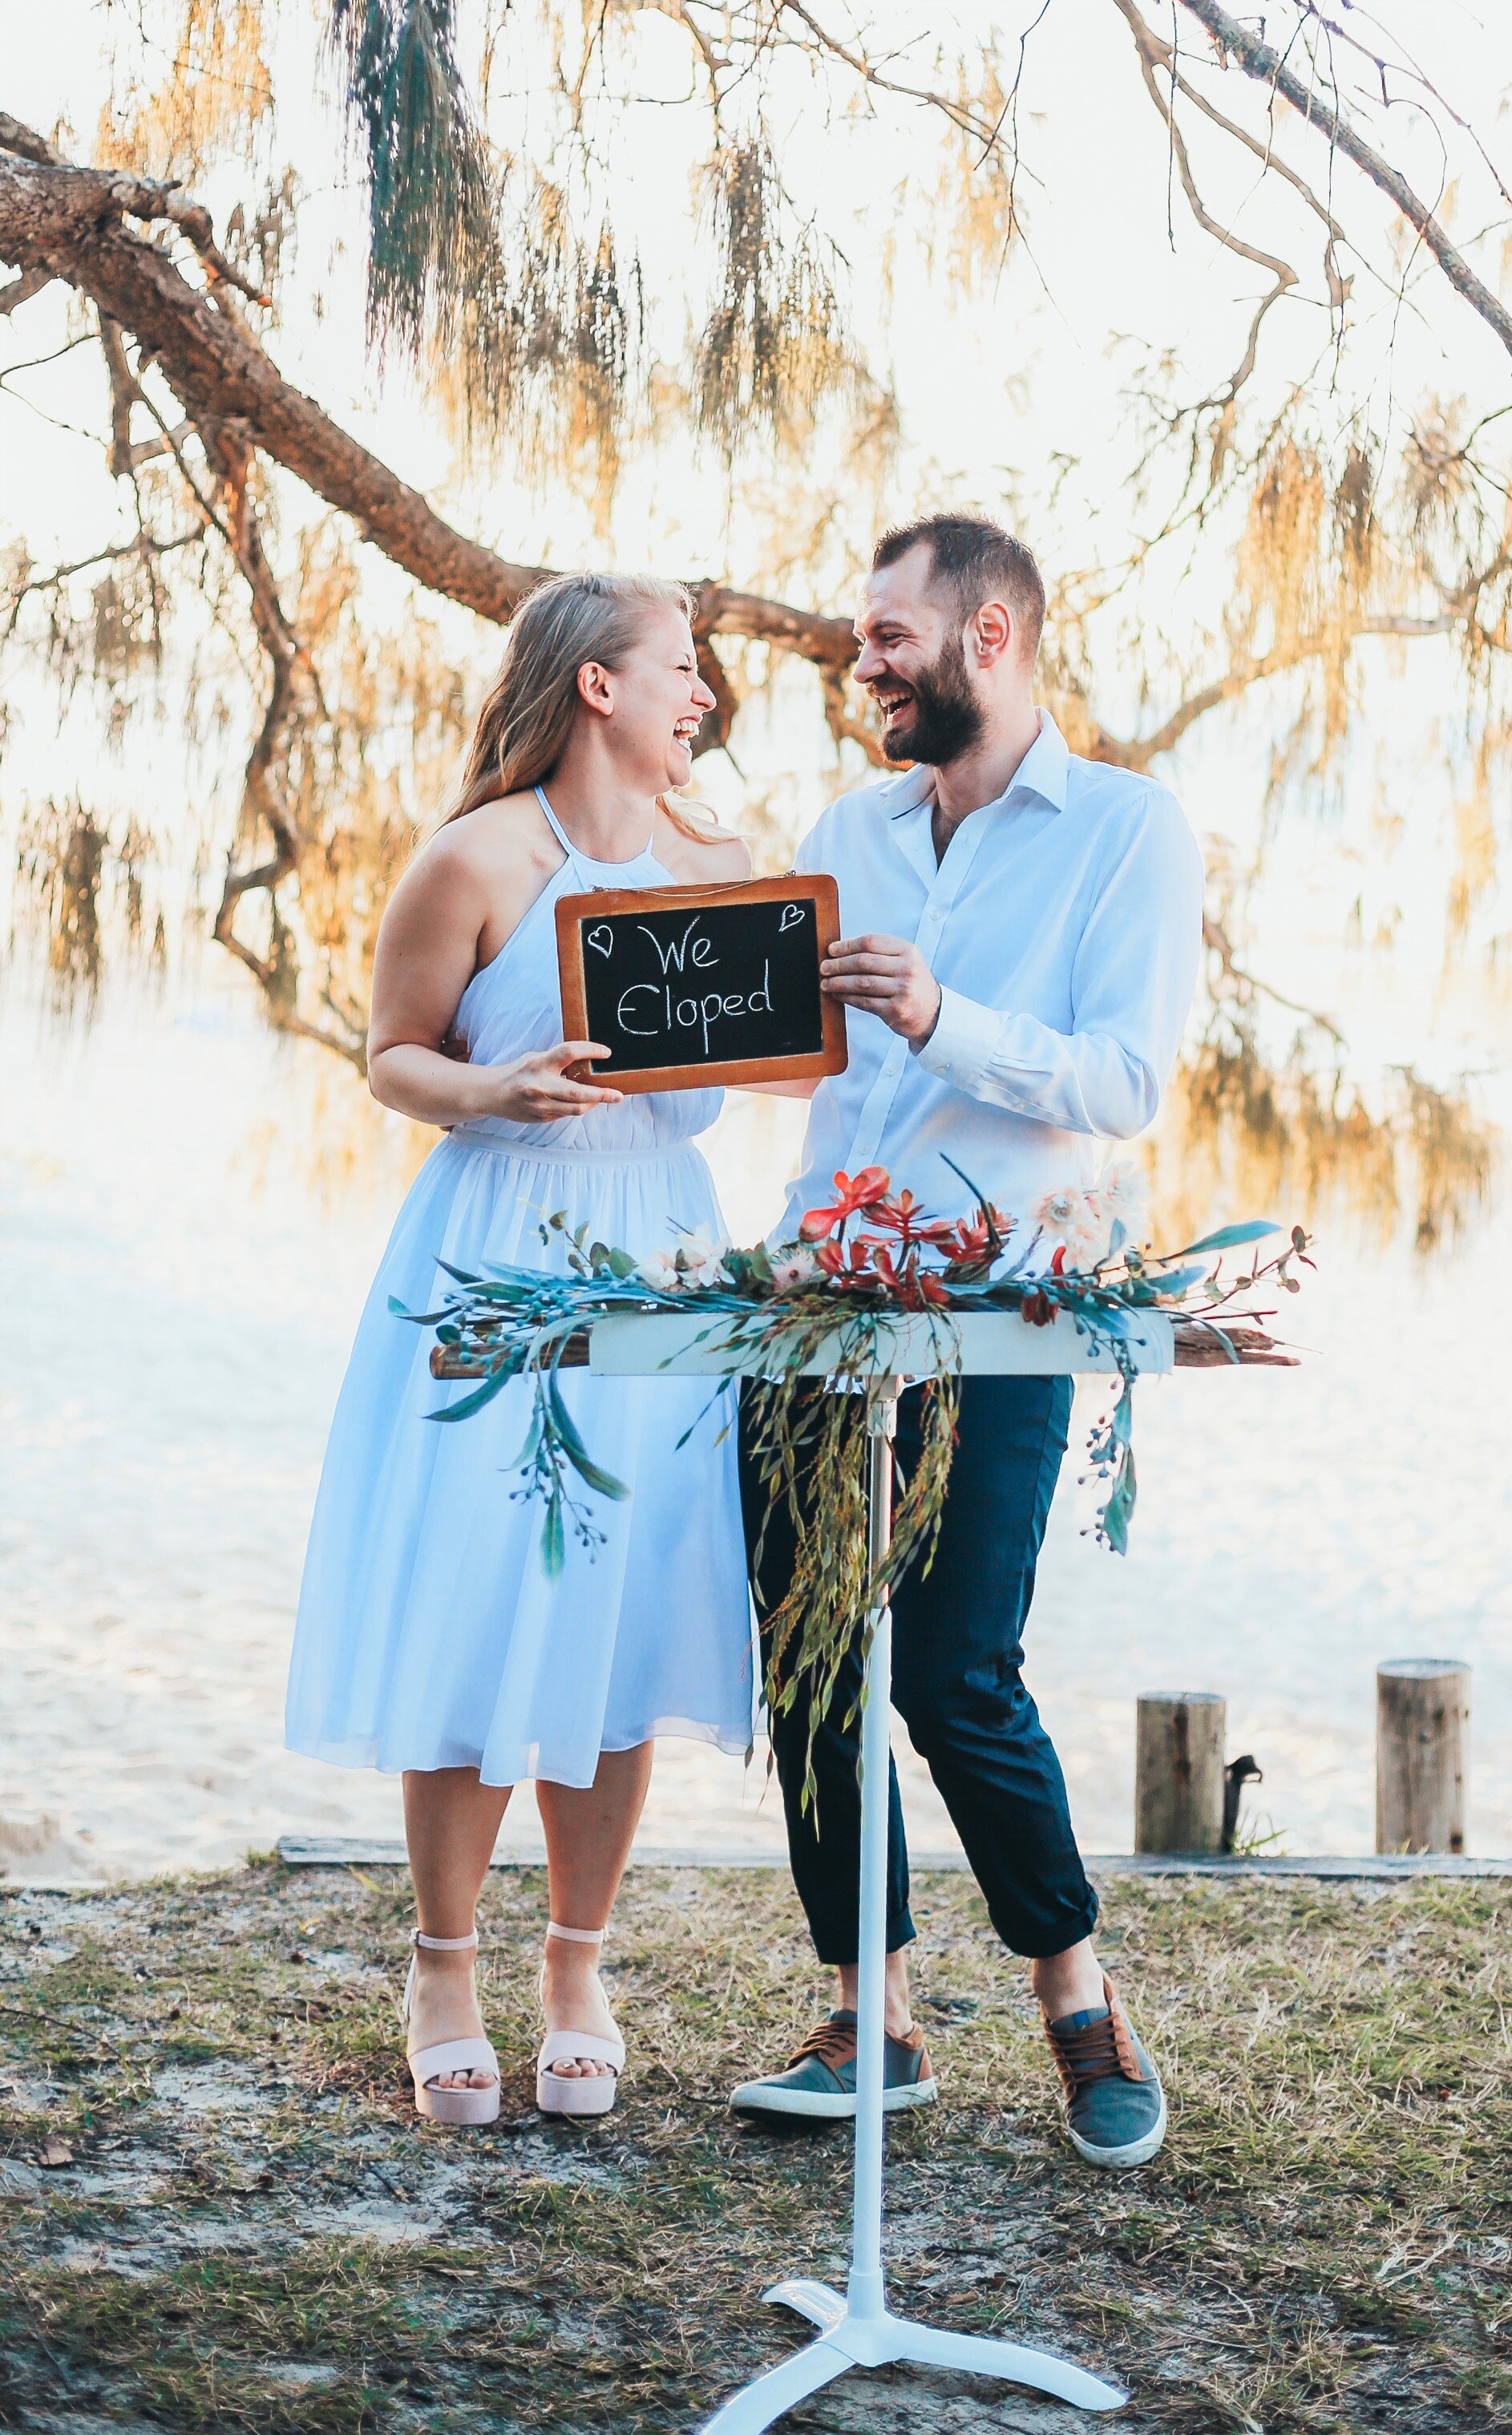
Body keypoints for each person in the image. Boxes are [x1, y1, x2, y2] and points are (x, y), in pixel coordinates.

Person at [730, 515, 1204, 2167]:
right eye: (863, 638)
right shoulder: (840, 825)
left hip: (1008, 1293)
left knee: (952, 1671)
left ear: (986, 638)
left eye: (886, 636)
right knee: (802, 1666)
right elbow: (805, 1070)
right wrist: (656, 1038)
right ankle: (872, 2014)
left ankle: (1076, 2000)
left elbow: (1126, 1082)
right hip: (815, 1289)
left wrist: (947, 1020)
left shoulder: (1125, 830)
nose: (860, 661)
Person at [285, 572, 756, 2126]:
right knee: (483, 1599)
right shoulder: (473, 858)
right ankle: (440, 1960)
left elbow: (768, 1057)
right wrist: (490, 1094)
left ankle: (575, 1960)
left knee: (621, 1604)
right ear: (600, 687)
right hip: (493, 1243)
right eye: (680, 667)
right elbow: (391, 1056)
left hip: (660, 1252)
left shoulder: (723, 866)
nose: (705, 693)